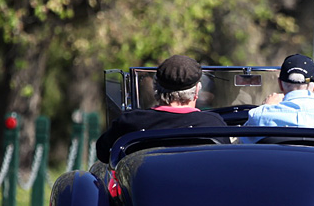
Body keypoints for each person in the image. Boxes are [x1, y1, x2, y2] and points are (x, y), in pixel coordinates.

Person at [95, 55, 226, 163]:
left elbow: (103, 153)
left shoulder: (131, 122)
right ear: (197, 91)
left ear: (155, 88)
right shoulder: (214, 124)